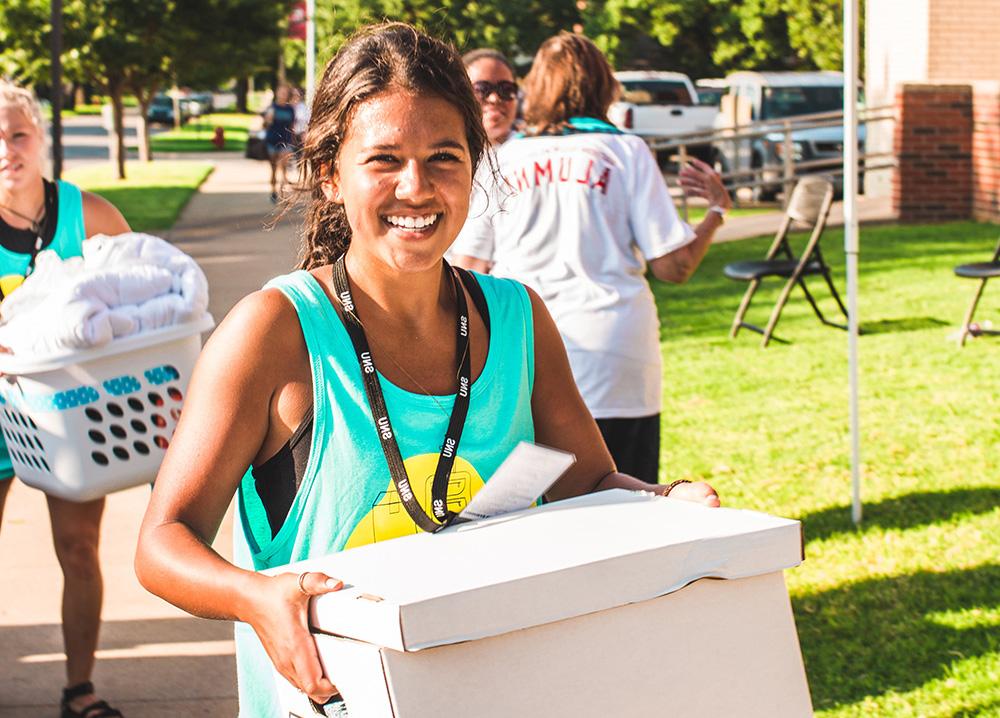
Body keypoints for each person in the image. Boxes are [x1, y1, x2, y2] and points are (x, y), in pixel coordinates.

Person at [133, 23, 720, 718]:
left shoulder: (517, 319)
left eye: (444, 157)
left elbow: (587, 482)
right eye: (384, 159)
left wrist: (656, 501)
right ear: (330, 173)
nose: (417, 188)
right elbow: (163, 542)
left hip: (494, 687)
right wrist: (257, 598)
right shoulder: (277, 333)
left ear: (476, 163)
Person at [450, 33, 733, 485]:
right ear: (605, 86)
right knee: (630, 496)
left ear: (536, 89)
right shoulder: (625, 152)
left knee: (540, 508)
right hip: (617, 351)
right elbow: (673, 266)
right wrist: (715, 213)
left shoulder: (504, 159)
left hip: (528, 356)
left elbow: (468, 270)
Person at [0, 80, 130, 718]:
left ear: (42, 139)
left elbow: (143, 296)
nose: (6, 148)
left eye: (18, 133)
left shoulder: (91, 217)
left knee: (79, 549)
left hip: (71, 420)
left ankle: (80, 690)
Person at [449, 49, 520, 273]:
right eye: (482, 90)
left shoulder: (526, 158)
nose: (495, 99)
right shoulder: (438, 155)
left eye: (506, 90)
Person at [263, 85, 297, 203]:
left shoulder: (290, 109)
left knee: (283, 167)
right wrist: (268, 119)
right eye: (281, 92)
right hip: (272, 141)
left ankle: (282, 193)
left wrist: (293, 141)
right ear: (277, 94)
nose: (282, 95)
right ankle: (273, 191)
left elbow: (292, 126)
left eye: (285, 93)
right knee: (273, 168)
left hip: (286, 142)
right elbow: (265, 125)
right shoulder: (272, 107)